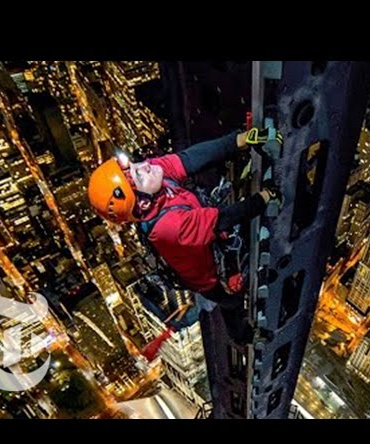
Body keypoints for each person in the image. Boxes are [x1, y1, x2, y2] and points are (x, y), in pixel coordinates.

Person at [87, 128, 281, 359]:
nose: (145, 165)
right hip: (208, 276)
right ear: (142, 205)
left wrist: (240, 139)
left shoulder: (154, 180)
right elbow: (224, 219)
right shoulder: (169, 228)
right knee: (231, 300)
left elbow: (191, 158)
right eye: (138, 175)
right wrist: (266, 197)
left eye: (135, 166)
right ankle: (243, 336)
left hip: (201, 228)